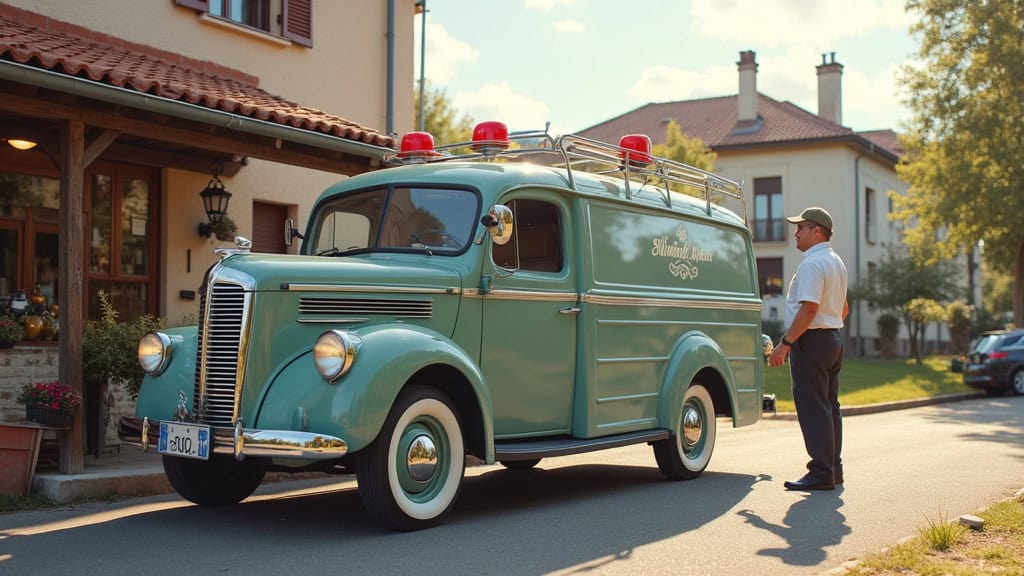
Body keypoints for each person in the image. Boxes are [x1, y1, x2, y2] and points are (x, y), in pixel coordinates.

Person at [767, 206, 849, 491]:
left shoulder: (812, 264)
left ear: (817, 231)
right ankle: (833, 468)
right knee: (829, 407)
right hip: (833, 339)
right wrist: (830, 328)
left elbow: (809, 308)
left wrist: (785, 344)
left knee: (814, 408)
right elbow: (844, 307)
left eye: (801, 228)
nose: (795, 233)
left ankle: (821, 471)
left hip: (812, 342)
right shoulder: (836, 261)